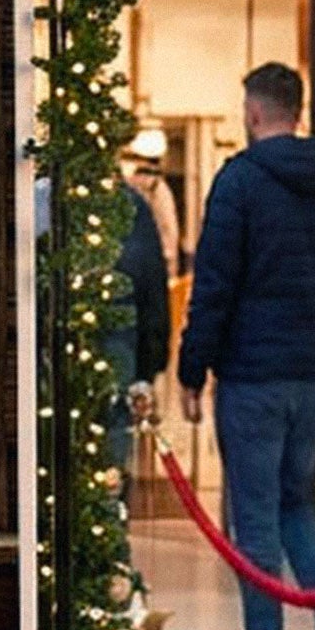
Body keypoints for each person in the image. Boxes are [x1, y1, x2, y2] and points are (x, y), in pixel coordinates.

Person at [176, 61, 315, 630]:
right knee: (293, 502)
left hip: (254, 374)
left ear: (254, 113)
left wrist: (191, 368)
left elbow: (215, 284)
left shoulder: (241, 181)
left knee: (253, 519)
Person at [105, 158, 173, 473]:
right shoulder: (132, 208)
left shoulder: (44, 198)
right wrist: (151, 362)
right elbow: (152, 286)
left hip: (65, 347)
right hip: (121, 342)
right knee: (114, 449)